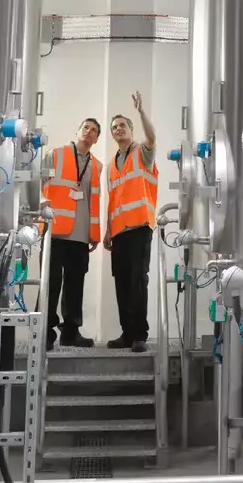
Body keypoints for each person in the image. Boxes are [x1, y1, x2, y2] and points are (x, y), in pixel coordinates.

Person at [103, 92, 159, 351]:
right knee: (122, 283)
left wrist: (141, 111)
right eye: (114, 127)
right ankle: (126, 332)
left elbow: (152, 137)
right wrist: (107, 231)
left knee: (138, 280)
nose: (118, 129)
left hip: (139, 227)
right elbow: (112, 200)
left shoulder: (142, 152)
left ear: (131, 129)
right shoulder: (111, 165)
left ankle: (139, 335)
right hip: (119, 232)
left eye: (122, 125)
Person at [41, 117, 104, 349]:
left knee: (75, 286)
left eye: (94, 131)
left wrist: (94, 232)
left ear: (97, 139)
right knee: (50, 284)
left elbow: (94, 201)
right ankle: (44, 333)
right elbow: (38, 184)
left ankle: (70, 332)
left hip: (80, 236)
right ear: (78, 131)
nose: (89, 132)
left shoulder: (97, 166)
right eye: (86, 128)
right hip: (55, 233)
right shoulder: (55, 155)